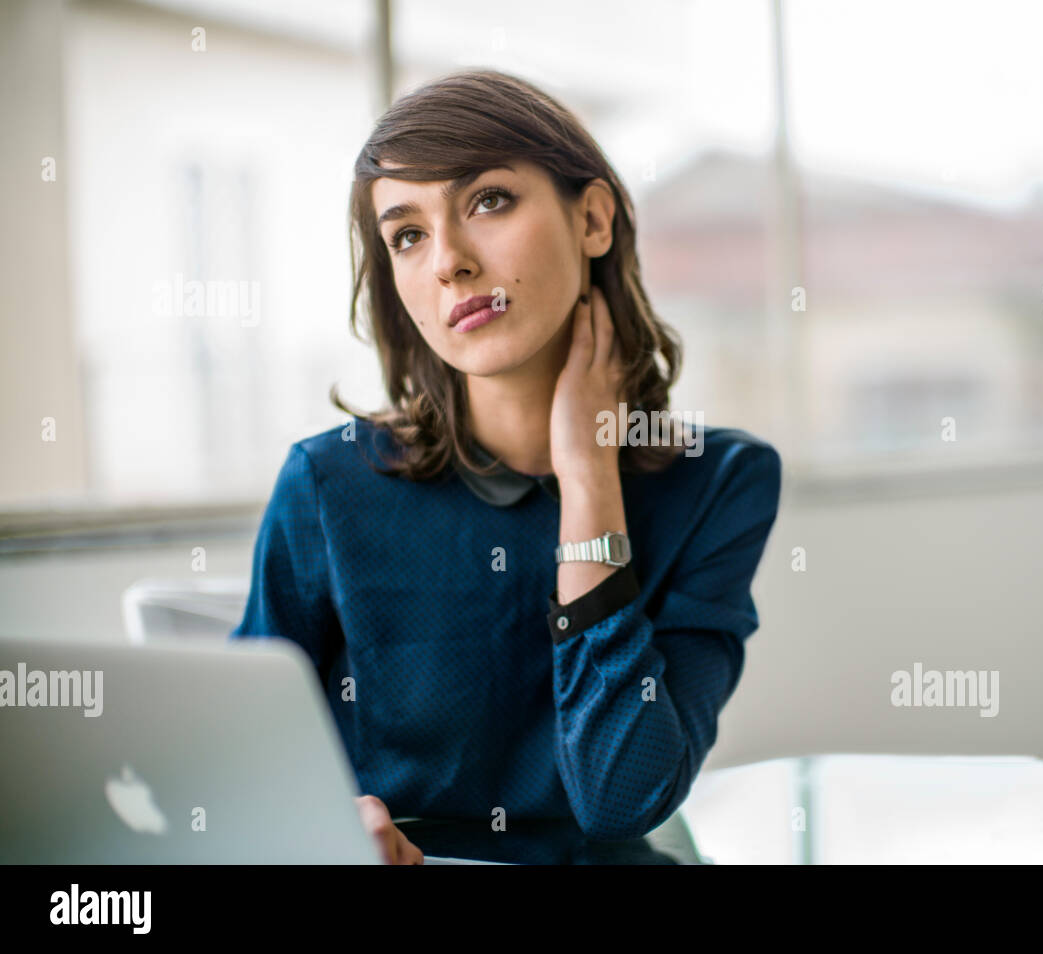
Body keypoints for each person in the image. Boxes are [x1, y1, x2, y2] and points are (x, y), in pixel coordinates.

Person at [230, 68, 781, 864]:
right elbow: (238, 776)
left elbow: (621, 798)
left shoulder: (720, 483)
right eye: (407, 235)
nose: (449, 261)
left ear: (592, 218)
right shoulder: (328, 485)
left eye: (488, 200)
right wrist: (325, 830)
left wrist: (588, 483)